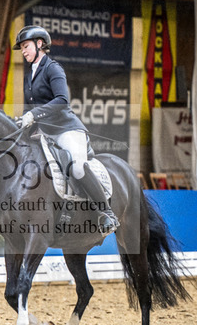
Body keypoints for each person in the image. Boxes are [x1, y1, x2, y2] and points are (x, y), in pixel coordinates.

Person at [12, 25, 119, 236]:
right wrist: (23, 122)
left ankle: (106, 213)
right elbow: (29, 108)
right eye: (22, 48)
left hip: (66, 129)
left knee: (77, 168)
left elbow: (62, 100)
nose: (23, 51)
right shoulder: (28, 75)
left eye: (26, 46)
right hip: (44, 132)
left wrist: (34, 115)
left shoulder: (53, 68)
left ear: (39, 44)